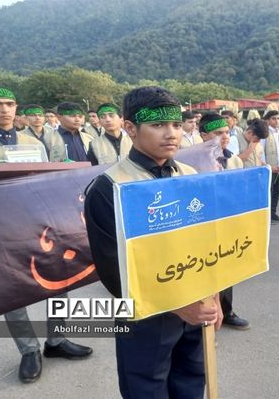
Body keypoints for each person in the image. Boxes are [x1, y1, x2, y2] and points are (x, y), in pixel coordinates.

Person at [85, 86, 221, 398]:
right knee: (146, 388)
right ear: (130, 128)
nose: (171, 134)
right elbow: (114, 270)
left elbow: (210, 243)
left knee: (191, 383)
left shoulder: (190, 175)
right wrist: (178, 305)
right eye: (158, 125)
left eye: (175, 124)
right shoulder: (110, 188)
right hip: (145, 317)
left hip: (196, 310)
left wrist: (213, 297)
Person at [0, 87, 92, 384]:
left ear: (16, 107)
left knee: (57, 275)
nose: (4, 109)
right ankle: (29, 350)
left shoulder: (33, 141)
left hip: (37, 221)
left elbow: (52, 176)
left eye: (9, 104)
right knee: (14, 289)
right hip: (1, 227)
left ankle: (57, 340)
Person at [198, 112, 250, 330]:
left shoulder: (234, 159)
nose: (225, 137)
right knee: (203, 274)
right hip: (203, 225)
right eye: (218, 133)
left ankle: (227, 311)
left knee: (227, 268)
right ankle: (202, 320)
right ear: (203, 135)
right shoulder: (191, 162)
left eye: (227, 132)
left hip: (228, 222)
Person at [262, 110, 279, 223]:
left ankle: (273, 213)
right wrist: (268, 167)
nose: (277, 121)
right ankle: (266, 216)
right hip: (269, 169)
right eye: (274, 118)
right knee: (269, 192)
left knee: (277, 193)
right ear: (267, 120)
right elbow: (261, 153)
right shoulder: (264, 134)